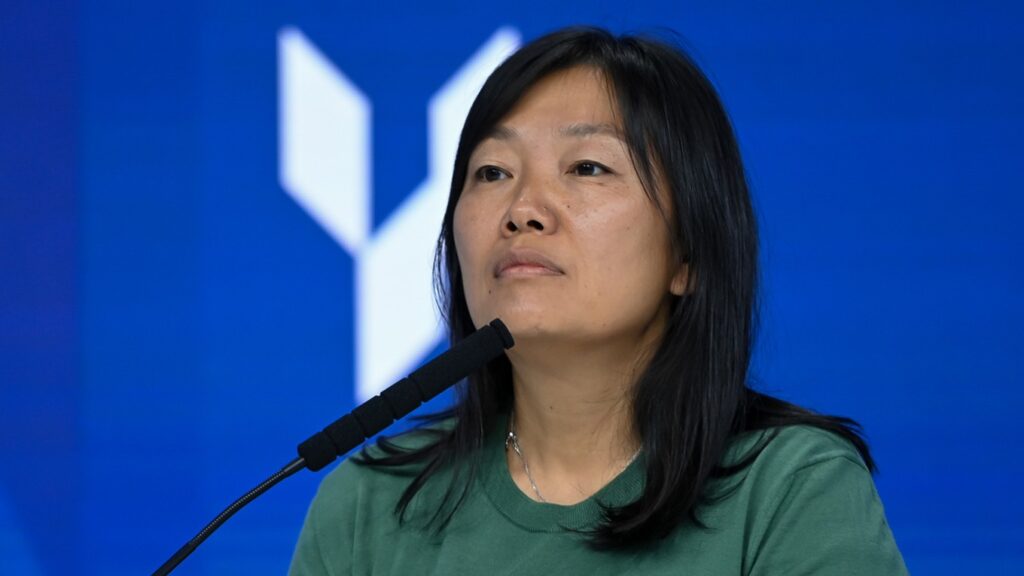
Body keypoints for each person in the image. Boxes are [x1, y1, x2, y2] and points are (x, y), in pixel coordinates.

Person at [290, 26, 908, 575]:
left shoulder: (790, 488)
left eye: (586, 167)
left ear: (688, 255)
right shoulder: (369, 504)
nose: (523, 210)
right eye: (492, 172)